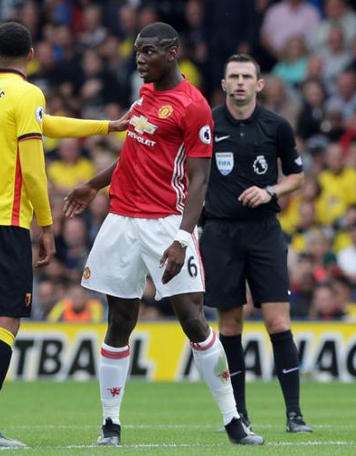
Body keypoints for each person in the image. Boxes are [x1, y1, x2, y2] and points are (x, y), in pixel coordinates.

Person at [64, 23, 263, 446]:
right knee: (119, 320)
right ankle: (110, 425)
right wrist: (93, 185)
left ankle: (233, 420)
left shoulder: (193, 108)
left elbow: (200, 180)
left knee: (193, 318)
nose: (139, 59)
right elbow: (134, 155)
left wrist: (182, 238)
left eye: (149, 51)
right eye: (137, 51)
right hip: (121, 220)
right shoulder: (146, 96)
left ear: (172, 53)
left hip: (165, 223)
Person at [0, 21, 127, 448]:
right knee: (6, 319)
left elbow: (45, 124)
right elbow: (32, 167)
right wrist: (47, 226)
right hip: (4, 220)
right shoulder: (28, 93)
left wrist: (107, 126)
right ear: (31, 55)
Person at [199, 54, 310, 433]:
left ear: (259, 84)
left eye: (248, 76)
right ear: (225, 84)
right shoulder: (208, 123)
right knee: (230, 324)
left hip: (264, 230)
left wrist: (270, 191)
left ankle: (295, 414)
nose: (242, 82)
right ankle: (239, 415)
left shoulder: (276, 126)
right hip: (219, 232)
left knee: (278, 320)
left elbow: (297, 177)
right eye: (235, 76)